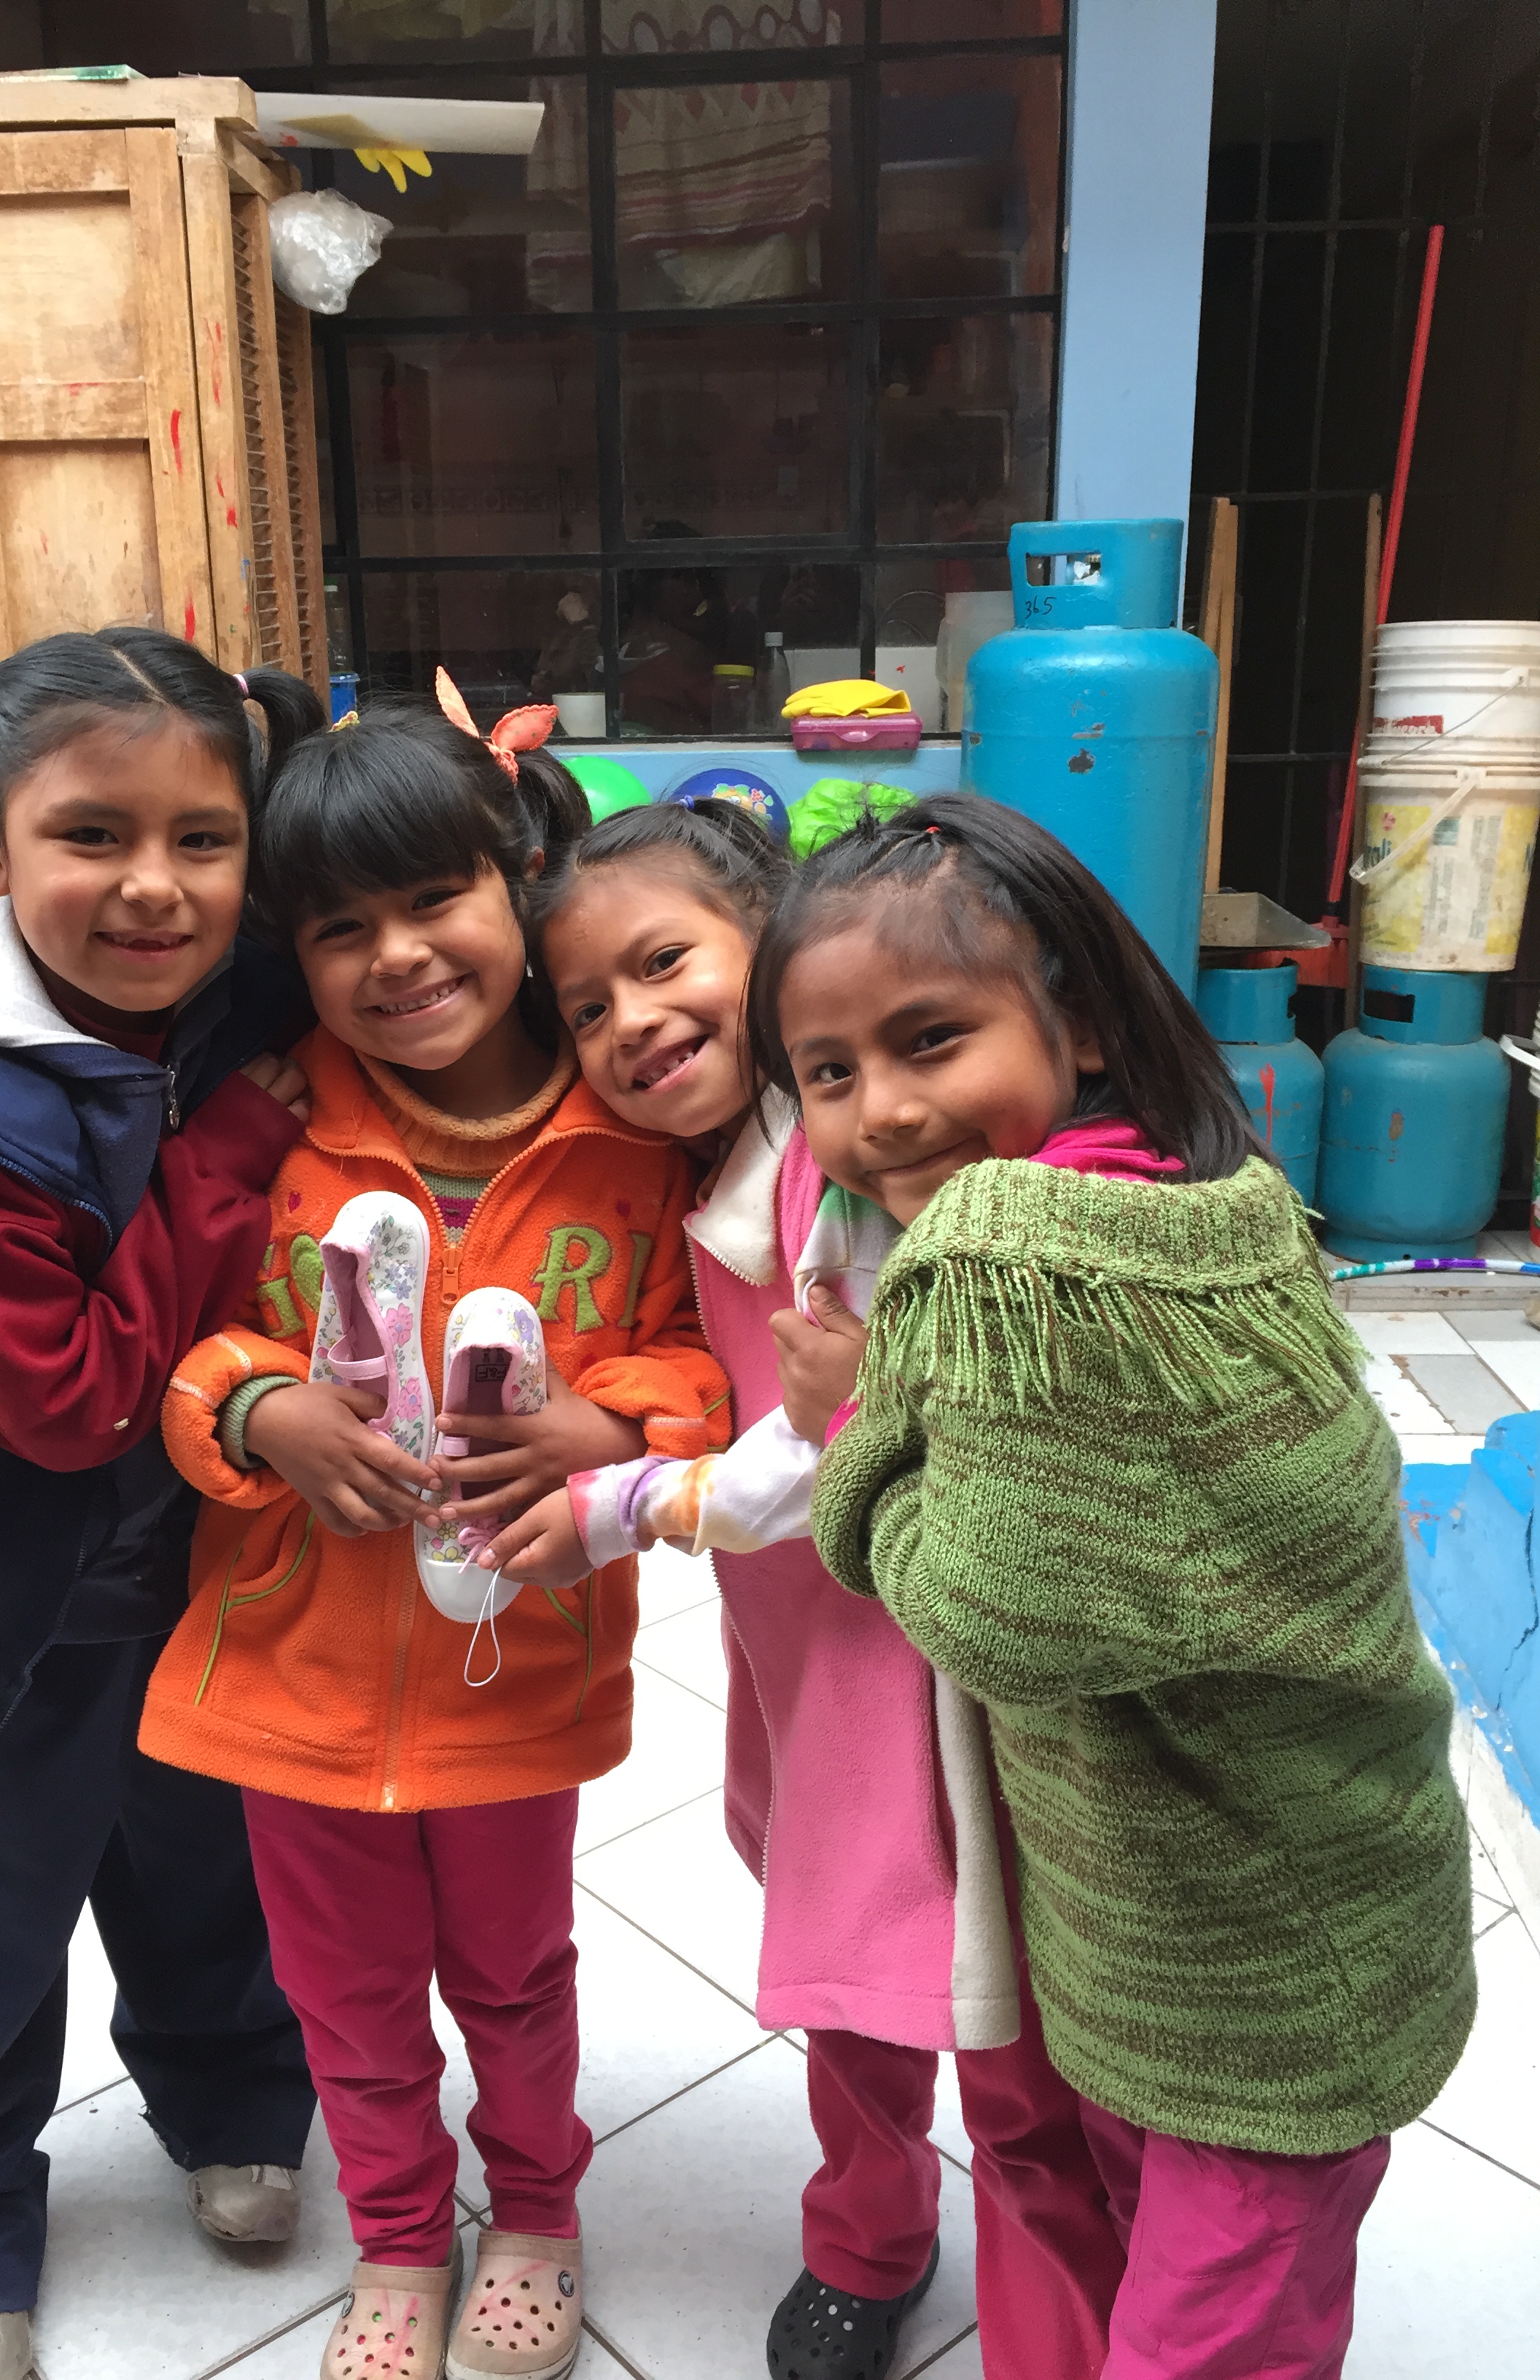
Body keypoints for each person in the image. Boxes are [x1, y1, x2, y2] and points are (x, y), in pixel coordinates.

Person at [774, 796, 1475, 2380]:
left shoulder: (1025, 1253)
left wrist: (854, 1424)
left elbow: (990, 1610)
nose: (883, 1110)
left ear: (1079, 1021)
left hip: (1257, 1999)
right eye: (830, 1071)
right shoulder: (1191, 1192)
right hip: (1246, 1924)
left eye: (930, 1039)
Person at [480, 798, 1127, 2380]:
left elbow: (820, 1446)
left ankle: (1060, 2325)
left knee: (1003, 2027)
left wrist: (625, 1502)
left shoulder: (840, 1168)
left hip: (939, 1674)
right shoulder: (687, 1168)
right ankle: (870, 2233)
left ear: (774, 944)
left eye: (665, 963)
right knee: (852, 1986)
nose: (633, 1023)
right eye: (588, 1008)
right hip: (811, 1657)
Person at [138, 678, 731, 2380]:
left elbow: (702, 1352)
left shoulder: (636, 1136)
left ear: (516, 876)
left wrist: (613, 1419)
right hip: (292, 1676)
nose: (396, 956)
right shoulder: (274, 1122)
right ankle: (399, 2238)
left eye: (432, 898)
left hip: (512, 1672)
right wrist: (261, 1407)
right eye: (341, 928)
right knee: (346, 1997)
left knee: (516, 1980)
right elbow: (185, 1345)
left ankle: (534, 2212)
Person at [0, 629, 326, 2380]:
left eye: (203, 836)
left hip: (208, 1560)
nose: (154, 886)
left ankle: (235, 2100)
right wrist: (225, 1154)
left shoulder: (246, 997)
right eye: (91, 834)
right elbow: (74, 1399)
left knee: (207, 1865)